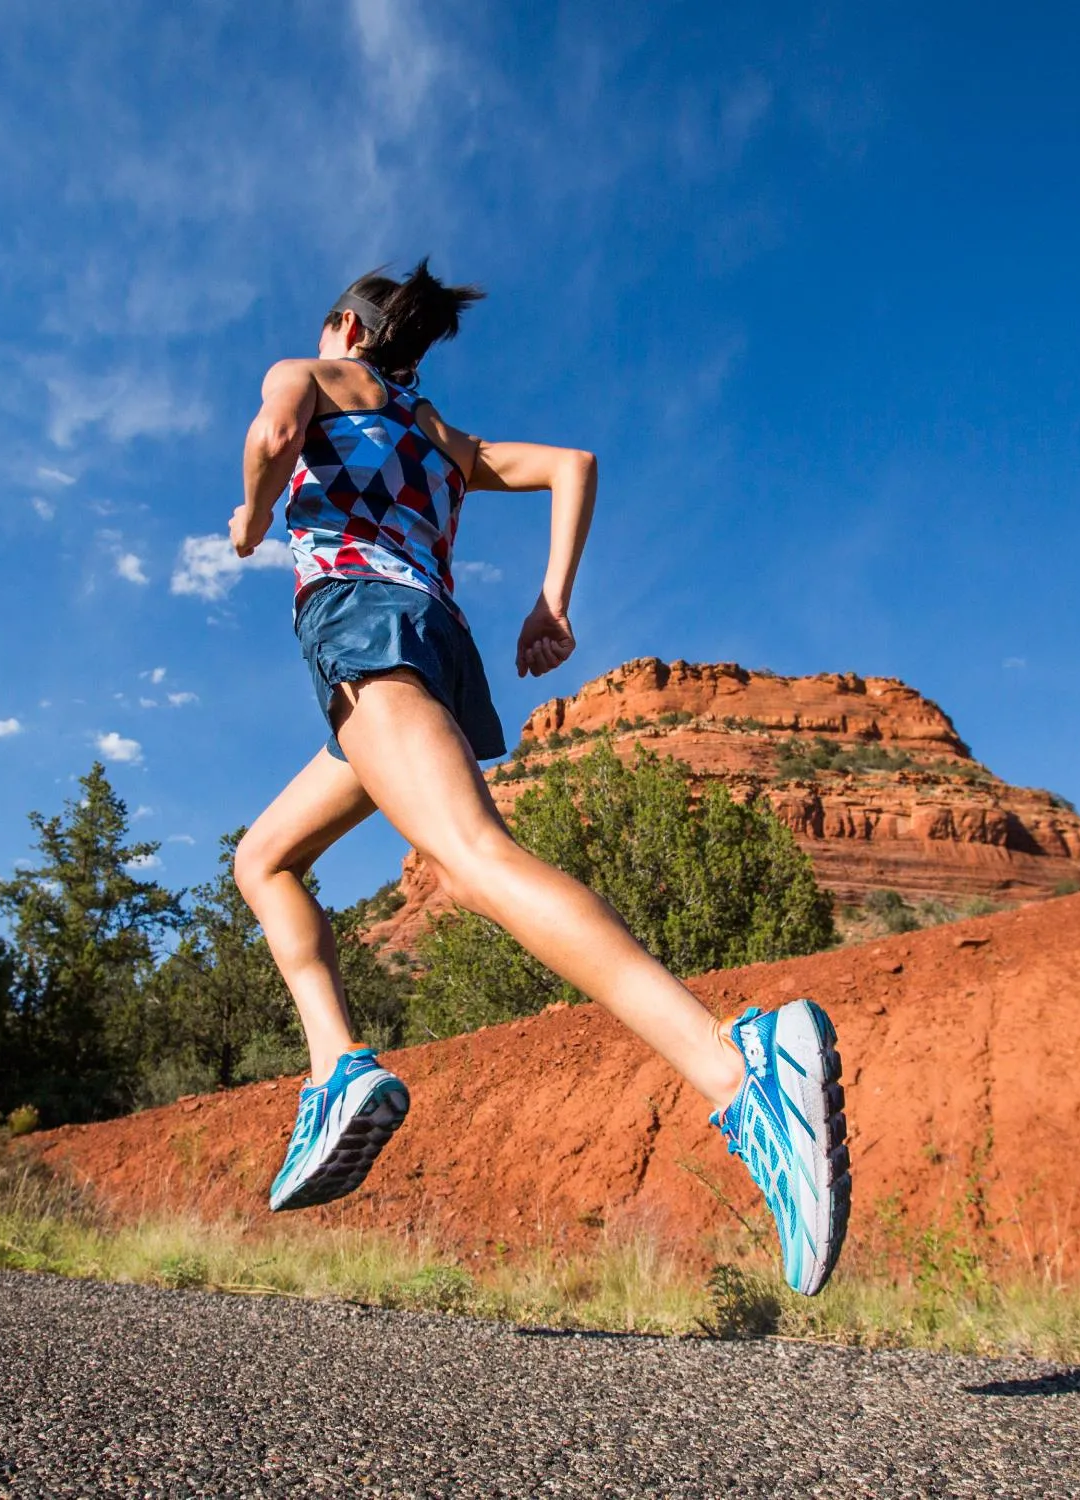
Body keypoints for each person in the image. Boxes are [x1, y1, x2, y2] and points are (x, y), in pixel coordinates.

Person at [229, 261, 850, 1294]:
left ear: (347, 326)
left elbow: (273, 433)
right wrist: (551, 603)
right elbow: (574, 464)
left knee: (472, 859)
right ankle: (338, 1067)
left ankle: (741, 1076)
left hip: (363, 629)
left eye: (329, 328)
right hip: (425, 644)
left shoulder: (312, 373)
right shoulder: (440, 438)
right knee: (265, 859)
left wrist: (252, 518)